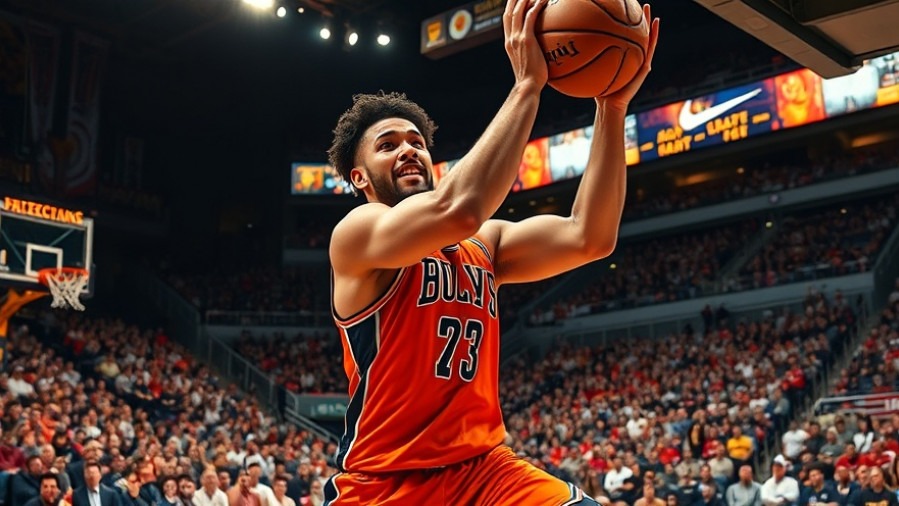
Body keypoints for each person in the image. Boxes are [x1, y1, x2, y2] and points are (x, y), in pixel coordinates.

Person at [324, 0, 659, 503]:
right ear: (359, 177)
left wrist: (610, 109)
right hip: (388, 482)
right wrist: (527, 85)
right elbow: (459, 207)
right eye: (387, 145)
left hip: (485, 471)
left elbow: (590, 236)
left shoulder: (486, 244)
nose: (409, 149)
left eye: (416, 141)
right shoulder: (358, 234)